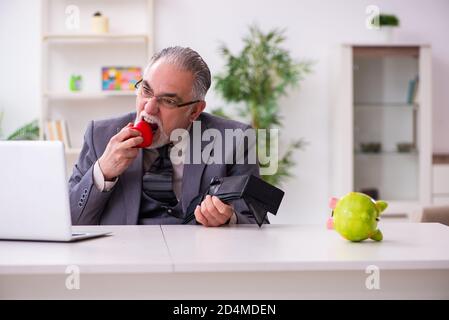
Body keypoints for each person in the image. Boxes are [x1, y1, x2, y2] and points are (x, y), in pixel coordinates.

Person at [69, 46, 265, 226]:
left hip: (197, 258)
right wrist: (102, 172)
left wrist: (229, 218)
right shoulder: (100, 135)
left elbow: (256, 220)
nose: (149, 107)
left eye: (168, 101)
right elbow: (70, 219)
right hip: (123, 258)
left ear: (194, 111)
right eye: (146, 90)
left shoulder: (235, 139)